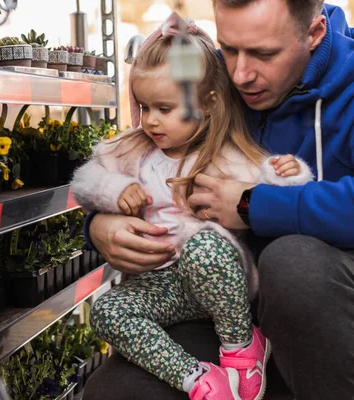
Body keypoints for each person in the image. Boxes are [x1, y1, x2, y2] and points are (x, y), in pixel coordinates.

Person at [82, 1, 354, 399]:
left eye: (264, 53)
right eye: (229, 48)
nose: (240, 73)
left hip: (348, 322)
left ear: (314, 33)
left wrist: (253, 206)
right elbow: (142, 154)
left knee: (292, 262)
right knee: (115, 392)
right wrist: (100, 224)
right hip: (234, 316)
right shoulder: (210, 79)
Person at [71, 12, 313, 400]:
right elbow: (86, 180)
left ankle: (241, 348)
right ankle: (198, 379)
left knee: (204, 247)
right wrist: (114, 192)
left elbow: (268, 183)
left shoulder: (223, 156)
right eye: (144, 106)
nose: (150, 120)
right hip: (163, 284)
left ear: (209, 103)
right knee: (106, 312)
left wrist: (287, 173)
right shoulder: (134, 150)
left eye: (164, 108)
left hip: (220, 282)